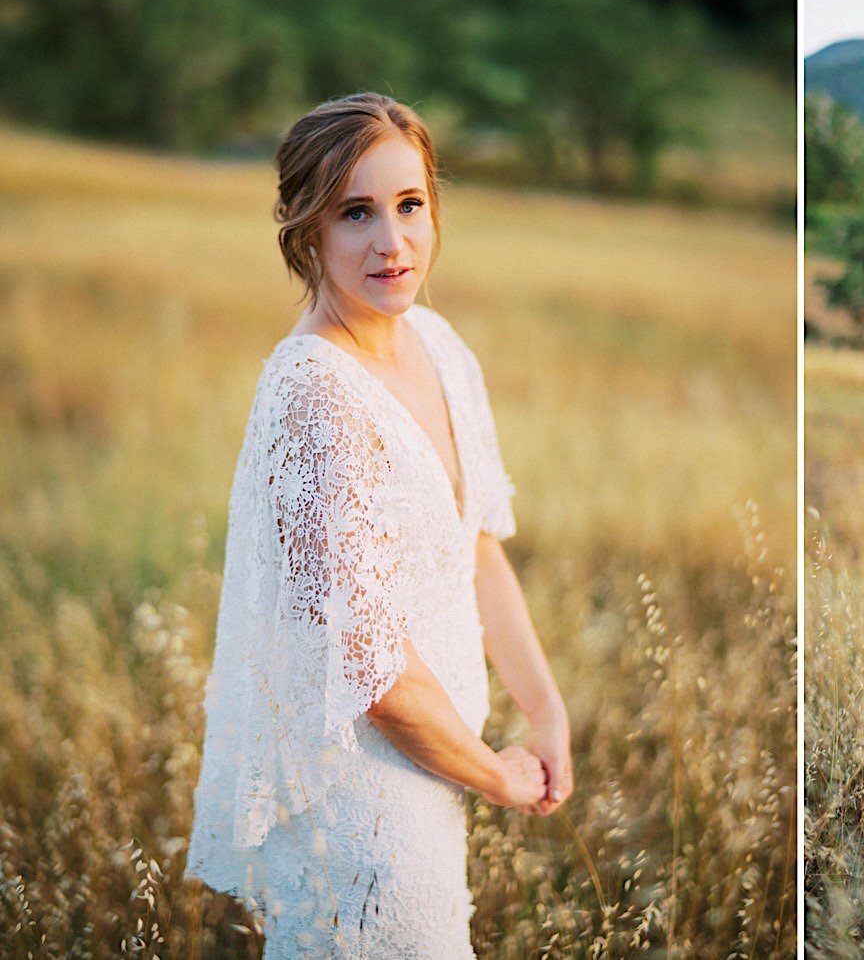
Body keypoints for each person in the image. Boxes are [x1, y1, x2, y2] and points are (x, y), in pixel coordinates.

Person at [185, 92, 573, 956]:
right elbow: (375, 673)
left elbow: (477, 551)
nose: (391, 242)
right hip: (367, 795)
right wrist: (499, 777)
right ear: (306, 232)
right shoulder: (314, 398)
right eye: (354, 213)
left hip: (440, 768)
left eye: (409, 206)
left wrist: (545, 711)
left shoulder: (436, 344)